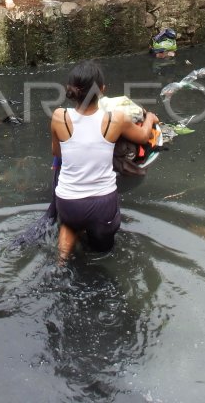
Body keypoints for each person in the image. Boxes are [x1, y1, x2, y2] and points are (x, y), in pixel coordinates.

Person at [50, 61, 158, 261]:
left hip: (68, 203)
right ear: (102, 91)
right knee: (102, 253)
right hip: (102, 206)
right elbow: (144, 136)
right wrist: (150, 118)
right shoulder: (116, 119)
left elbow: (57, 152)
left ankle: (61, 261)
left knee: (70, 223)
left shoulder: (59, 116)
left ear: (71, 89)